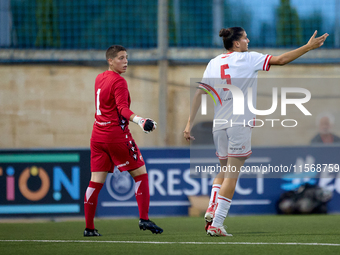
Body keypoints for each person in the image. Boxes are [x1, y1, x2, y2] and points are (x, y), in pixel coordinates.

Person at [184, 27, 328, 236]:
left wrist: (189, 123)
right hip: (238, 123)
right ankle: (217, 222)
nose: (248, 40)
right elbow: (281, 60)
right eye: (245, 38)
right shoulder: (248, 58)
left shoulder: (213, 62)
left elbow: (199, 94)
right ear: (236, 43)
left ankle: (211, 209)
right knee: (232, 176)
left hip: (219, 125)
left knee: (224, 171)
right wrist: (308, 47)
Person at [84, 45, 163, 236]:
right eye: (120, 58)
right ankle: (144, 219)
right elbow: (122, 109)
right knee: (141, 174)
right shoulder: (119, 81)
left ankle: (89, 228)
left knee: (95, 181)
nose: (125, 61)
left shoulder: (99, 78)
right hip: (116, 136)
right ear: (110, 60)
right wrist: (141, 120)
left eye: (126, 57)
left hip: (97, 136)